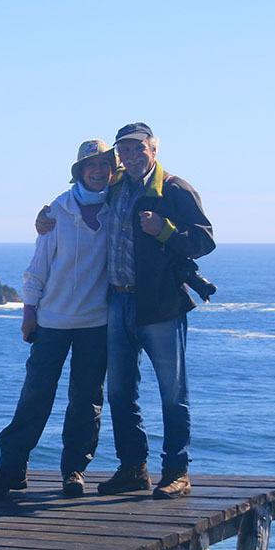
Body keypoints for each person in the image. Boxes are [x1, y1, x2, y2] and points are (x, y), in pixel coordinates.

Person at [35, 122, 214, 498]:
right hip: (117, 300)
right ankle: (133, 467)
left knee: (172, 391)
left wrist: (163, 230)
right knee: (120, 392)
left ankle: (177, 472)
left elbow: (204, 240)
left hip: (161, 304)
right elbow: (78, 202)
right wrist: (45, 216)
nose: (132, 156)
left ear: (154, 150)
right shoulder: (116, 188)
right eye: (126, 151)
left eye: (139, 149)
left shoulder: (174, 189)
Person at [0, 140, 115, 499]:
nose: (98, 170)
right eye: (92, 164)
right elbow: (37, 267)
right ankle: (12, 468)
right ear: (79, 170)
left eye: (104, 164)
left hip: (96, 323)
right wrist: (29, 312)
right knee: (35, 396)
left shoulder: (118, 209)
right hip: (52, 322)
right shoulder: (57, 211)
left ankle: (73, 471)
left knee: (86, 401)